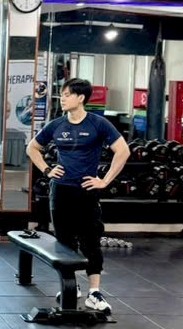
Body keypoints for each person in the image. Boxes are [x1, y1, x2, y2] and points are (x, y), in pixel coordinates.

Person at [27, 78, 131, 313]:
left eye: (67, 95)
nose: (62, 99)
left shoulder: (98, 124)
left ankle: (94, 292)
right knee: (64, 241)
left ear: (81, 98)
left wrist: (104, 180)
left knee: (90, 241)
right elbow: (32, 147)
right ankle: (71, 287)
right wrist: (47, 169)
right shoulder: (56, 125)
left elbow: (123, 151)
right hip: (61, 191)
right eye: (62, 95)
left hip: (86, 190)